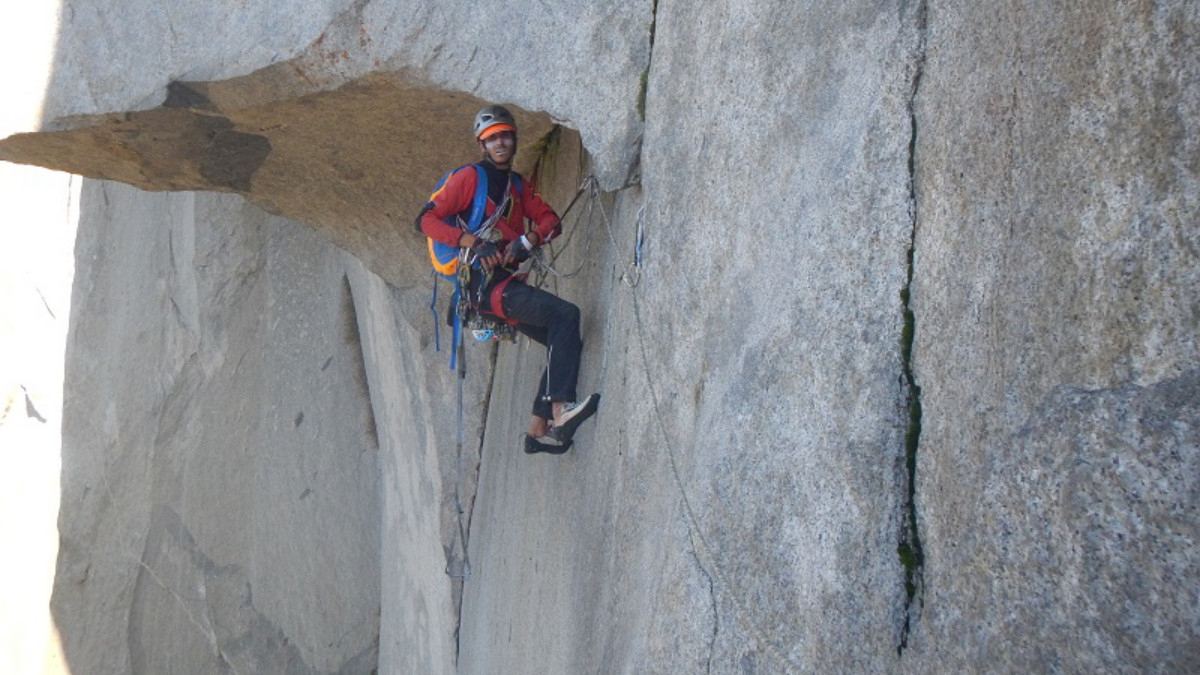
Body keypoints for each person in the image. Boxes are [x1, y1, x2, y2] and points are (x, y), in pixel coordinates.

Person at [417, 105, 599, 454]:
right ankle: (561, 409)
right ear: (482, 145)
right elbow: (425, 221)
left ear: (514, 139)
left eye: (504, 135)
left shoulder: (518, 186)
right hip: (483, 287)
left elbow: (550, 221)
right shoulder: (469, 179)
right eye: (491, 138)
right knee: (565, 315)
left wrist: (526, 242)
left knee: (561, 340)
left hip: (501, 288)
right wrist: (474, 243)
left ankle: (537, 428)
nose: (499, 142)